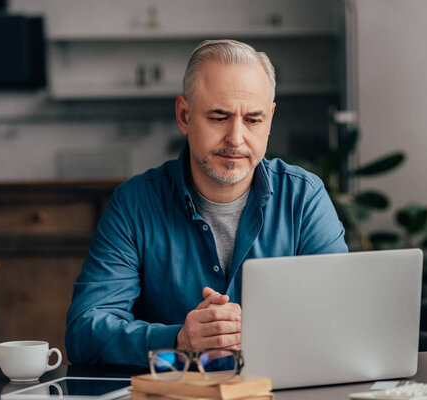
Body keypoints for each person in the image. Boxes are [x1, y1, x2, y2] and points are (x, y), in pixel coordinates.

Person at [66, 39, 348, 366]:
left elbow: (339, 319)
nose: (236, 138)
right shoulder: (134, 204)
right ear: (184, 115)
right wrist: (177, 340)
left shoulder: (303, 198)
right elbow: (84, 331)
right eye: (218, 117)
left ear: (270, 119)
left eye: (253, 120)